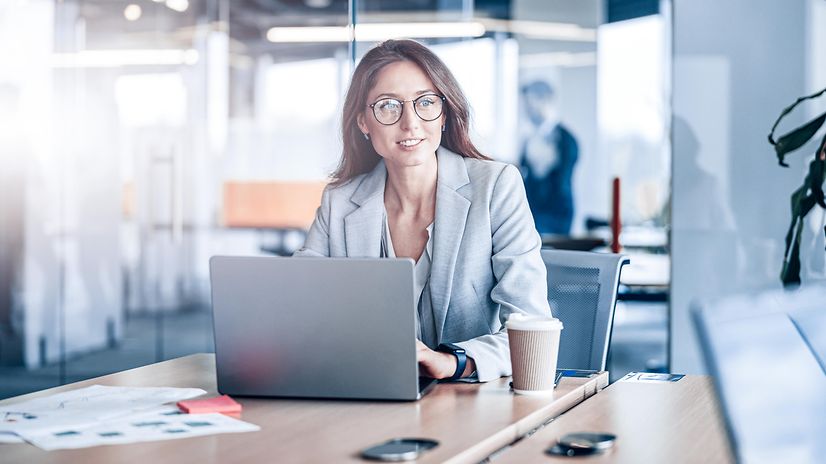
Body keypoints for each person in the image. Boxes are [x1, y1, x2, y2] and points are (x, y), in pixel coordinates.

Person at [294, 39, 550, 382]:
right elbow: (297, 306)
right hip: (369, 393)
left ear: (444, 113)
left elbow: (531, 325)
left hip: (470, 400)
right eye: (388, 106)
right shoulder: (340, 202)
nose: (411, 123)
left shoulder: (495, 187)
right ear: (363, 122)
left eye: (426, 102)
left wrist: (453, 362)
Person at [519, 80, 579, 235]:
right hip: (531, 213)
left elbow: (560, 180)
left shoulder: (566, 140)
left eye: (530, 105)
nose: (527, 110)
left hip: (554, 218)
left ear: (545, 101)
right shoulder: (530, 138)